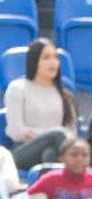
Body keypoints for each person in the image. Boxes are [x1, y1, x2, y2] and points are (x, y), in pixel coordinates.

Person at [4, 38, 78, 172]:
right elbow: (15, 131)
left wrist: (35, 133)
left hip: (56, 150)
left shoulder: (65, 95)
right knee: (58, 134)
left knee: (49, 153)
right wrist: (51, 134)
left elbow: (71, 134)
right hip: (21, 152)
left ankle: (53, 189)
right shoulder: (17, 88)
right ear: (34, 61)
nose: (53, 62)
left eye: (55, 57)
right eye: (46, 58)